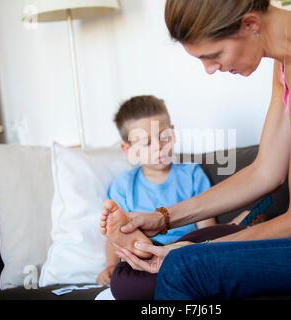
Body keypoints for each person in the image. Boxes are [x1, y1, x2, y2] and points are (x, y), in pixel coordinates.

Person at [102, 0, 291, 299]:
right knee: (205, 237)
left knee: (187, 266)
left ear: (250, 24)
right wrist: (162, 218)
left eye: (213, 54)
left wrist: (198, 252)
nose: (209, 69)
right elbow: (266, 172)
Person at [97, 95, 240, 299]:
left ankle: (234, 229)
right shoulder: (123, 185)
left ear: (172, 133)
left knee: (210, 242)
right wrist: (110, 266)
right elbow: (113, 239)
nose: (158, 146)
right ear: (128, 149)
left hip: (188, 248)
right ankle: (146, 251)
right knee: (122, 279)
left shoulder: (191, 174)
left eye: (163, 136)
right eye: (146, 143)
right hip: (146, 257)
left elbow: (207, 228)